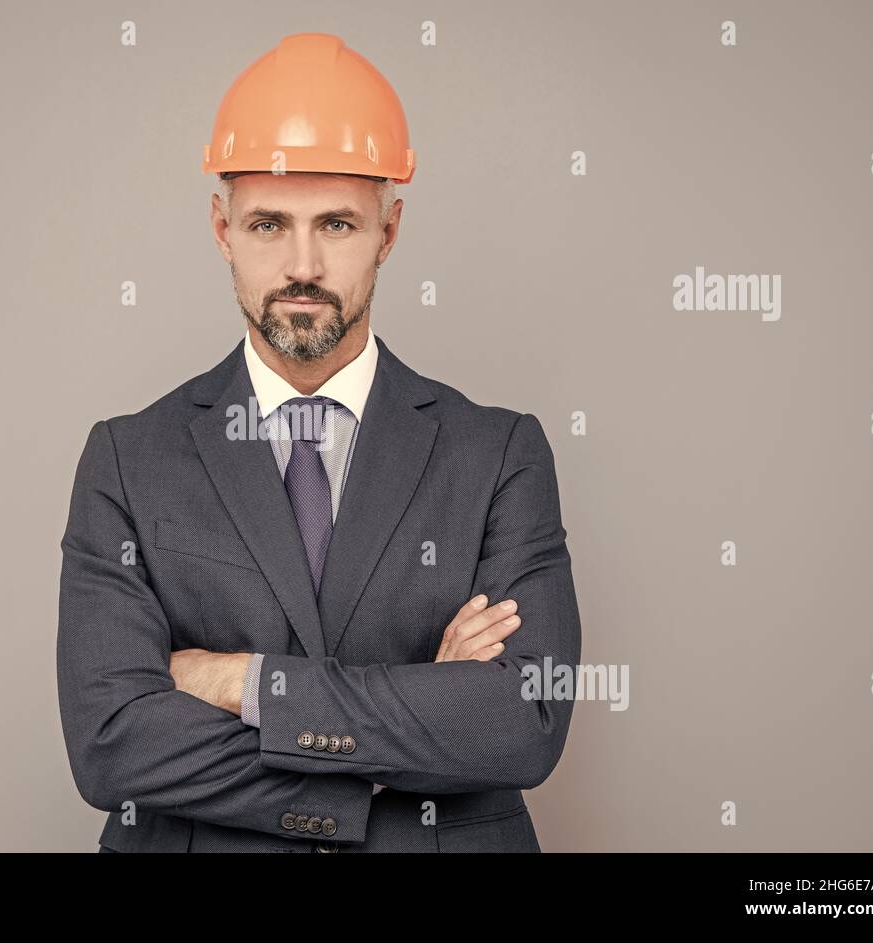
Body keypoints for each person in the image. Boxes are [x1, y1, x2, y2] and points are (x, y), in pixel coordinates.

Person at [57, 32, 581, 853]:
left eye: (336, 222)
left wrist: (241, 681)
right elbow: (112, 742)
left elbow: (523, 721)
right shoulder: (127, 460)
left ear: (389, 230)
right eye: (268, 223)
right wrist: (412, 722)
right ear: (222, 228)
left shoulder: (500, 453)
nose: (302, 265)